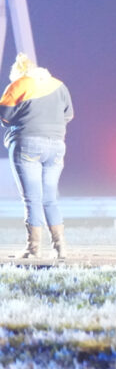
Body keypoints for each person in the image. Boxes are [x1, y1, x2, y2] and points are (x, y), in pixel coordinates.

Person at [0, 53, 73, 258]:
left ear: (18, 73)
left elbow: (4, 117)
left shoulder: (18, 85)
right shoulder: (59, 85)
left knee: (31, 199)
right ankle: (60, 248)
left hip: (27, 144)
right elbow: (69, 115)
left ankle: (33, 249)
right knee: (50, 199)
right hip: (57, 146)